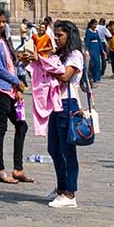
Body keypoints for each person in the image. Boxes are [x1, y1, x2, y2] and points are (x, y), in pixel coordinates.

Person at [0, 9, 32, 185]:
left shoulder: (4, 40)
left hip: (10, 89)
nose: (2, 25)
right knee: (1, 128)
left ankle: (18, 169)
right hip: (1, 90)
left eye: (4, 21)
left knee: (22, 126)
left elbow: (10, 65)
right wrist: (17, 82)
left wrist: (20, 69)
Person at [43, 20, 86, 209]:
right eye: (55, 35)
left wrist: (44, 61)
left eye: (60, 35)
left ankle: (70, 193)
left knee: (68, 151)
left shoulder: (75, 55)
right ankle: (61, 187)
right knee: (54, 148)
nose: (56, 39)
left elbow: (65, 76)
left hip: (68, 104)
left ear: (70, 35)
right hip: (56, 104)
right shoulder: (59, 55)